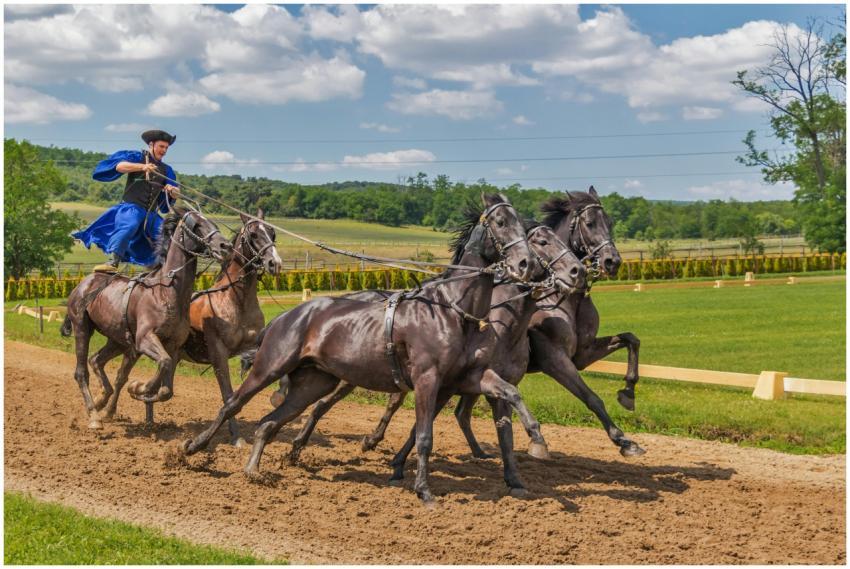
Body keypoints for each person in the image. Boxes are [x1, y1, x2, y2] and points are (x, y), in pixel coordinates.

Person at [73, 130, 181, 272]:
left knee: (171, 235)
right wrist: (142, 167)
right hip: (131, 208)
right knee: (129, 225)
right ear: (151, 144)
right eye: (161, 146)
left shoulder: (167, 170)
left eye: (166, 148)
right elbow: (119, 166)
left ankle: (166, 268)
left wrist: (173, 192)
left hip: (151, 214)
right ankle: (112, 262)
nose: (164, 151)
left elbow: (173, 194)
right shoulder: (136, 157)